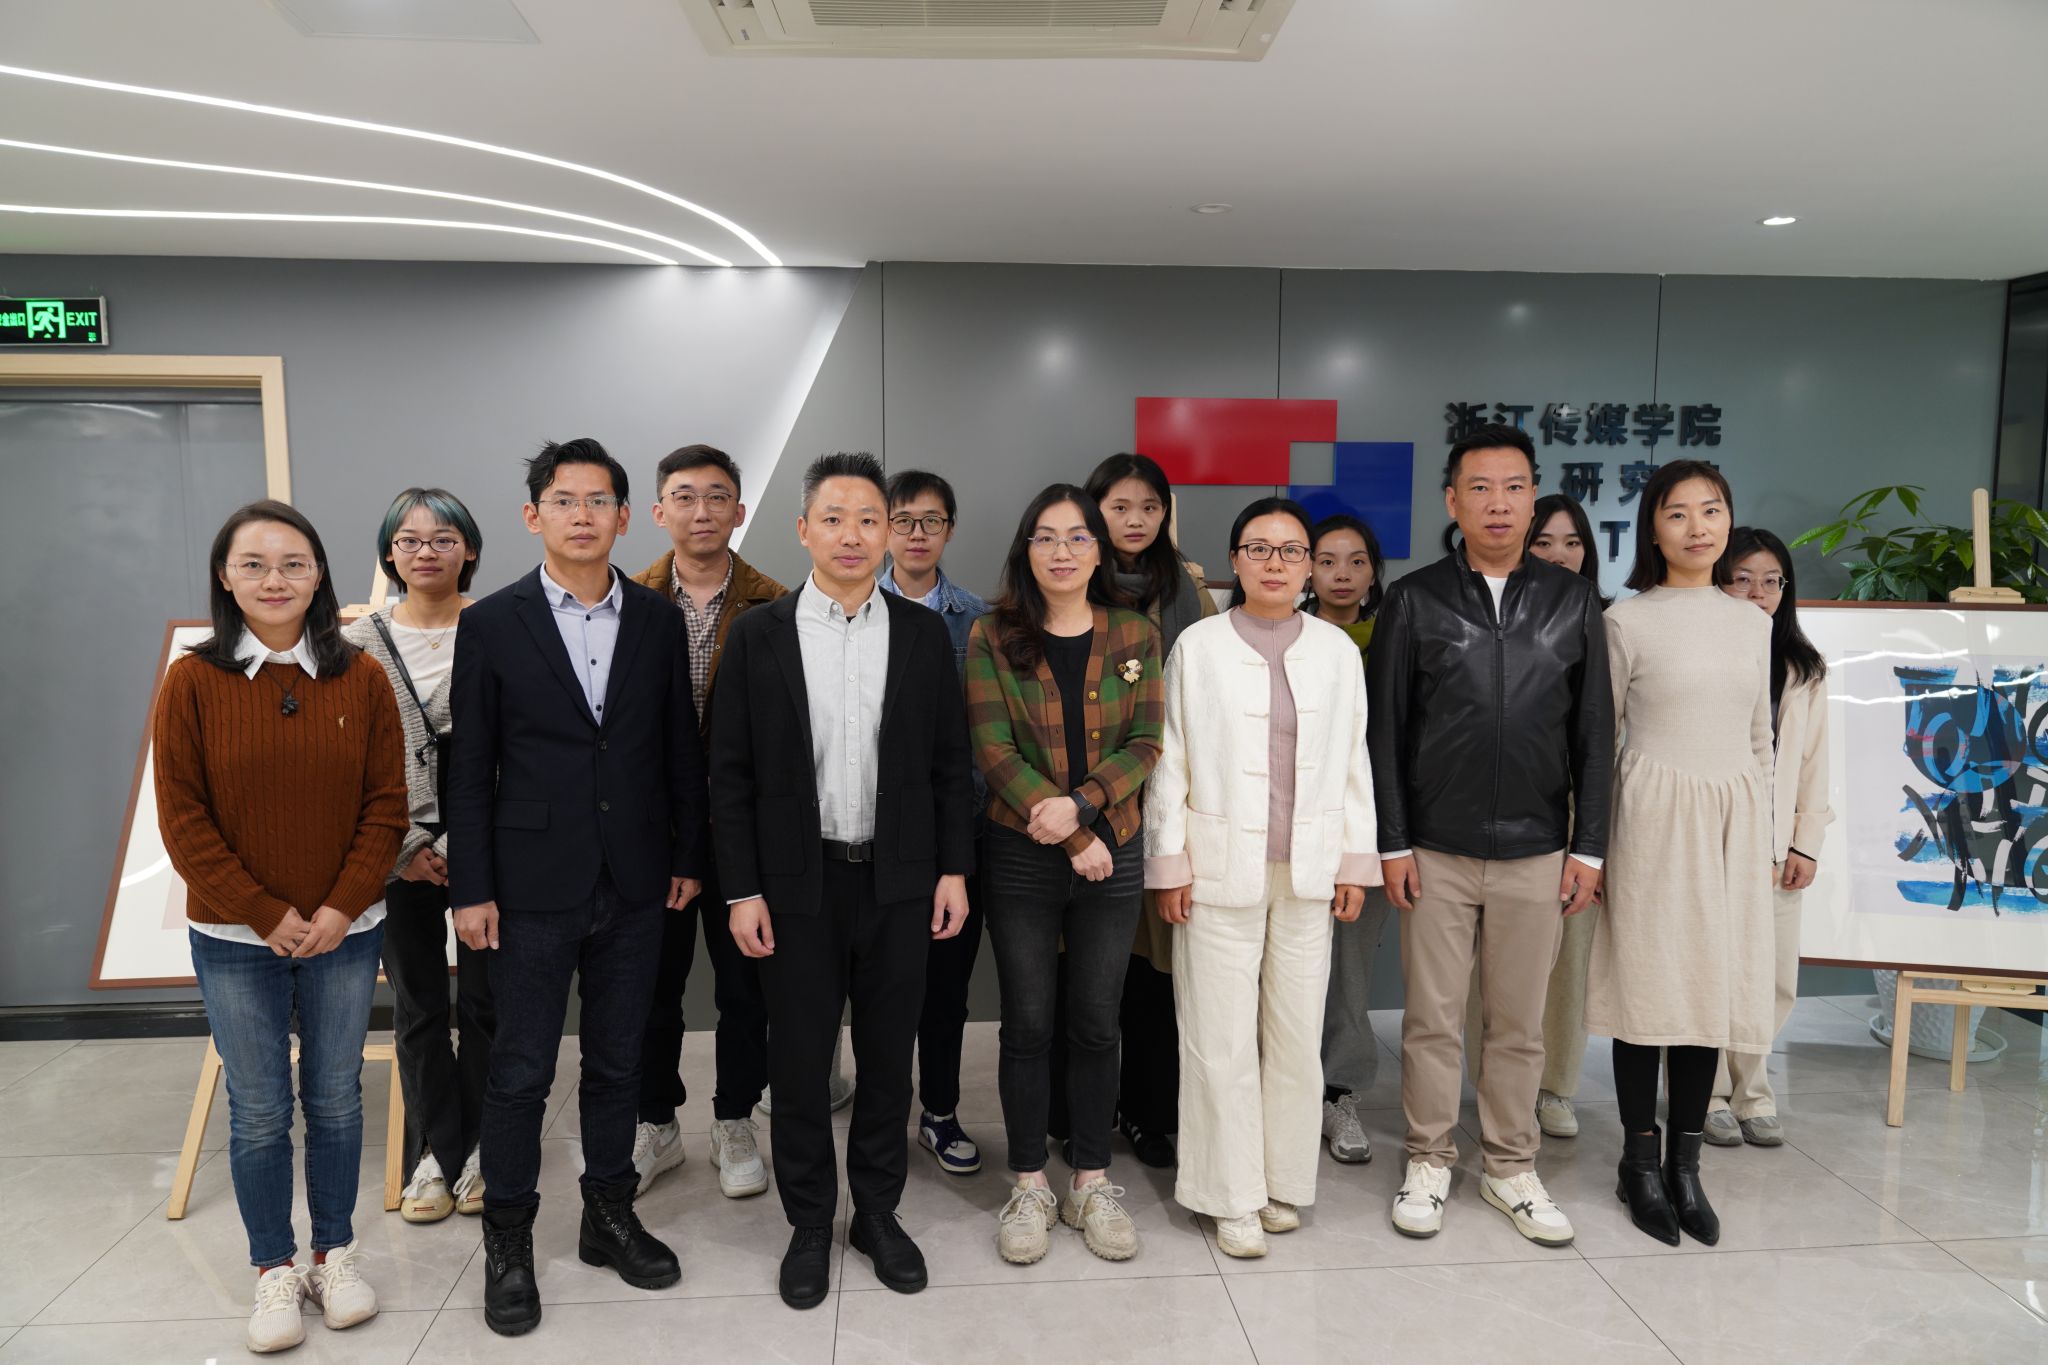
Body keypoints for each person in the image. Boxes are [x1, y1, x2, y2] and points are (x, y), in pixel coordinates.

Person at [447, 438, 709, 1337]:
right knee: (520, 1069)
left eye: (600, 501)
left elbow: (679, 747)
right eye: (565, 500)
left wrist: (687, 853)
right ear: (535, 515)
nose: (583, 515)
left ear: (625, 518)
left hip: (636, 878)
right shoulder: (492, 622)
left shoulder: (656, 618)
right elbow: (469, 767)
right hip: (527, 885)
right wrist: (470, 887)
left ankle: (609, 1214)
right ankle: (509, 1241)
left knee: (618, 1060)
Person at [710, 452, 975, 1310]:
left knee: (889, 1058)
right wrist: (742, 889)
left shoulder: (923, 634)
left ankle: (878, 1214)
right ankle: (808, 1221)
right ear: (803, 530)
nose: (852, 534)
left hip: (900, 880)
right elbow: (729, 774)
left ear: (890, 531)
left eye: (869, 518)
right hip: (797, 883)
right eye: (834, 518)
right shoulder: (760, 633)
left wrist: (953, 870)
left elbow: (949, 765)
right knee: (797, 1061)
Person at [154, 501, 407, 1354]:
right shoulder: (192, 683)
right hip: (236, 939)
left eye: (293, 563)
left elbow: (386, 806)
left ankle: (335, 1255)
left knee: (335, 1098)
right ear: (225, 577)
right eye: (254, 564)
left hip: (347, 929)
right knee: (259, 1108)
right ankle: (274, 1266)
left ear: (318, 575)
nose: (275, 579)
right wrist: (265, 913)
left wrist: (338, 907)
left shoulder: (361, 677)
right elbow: (184, 821)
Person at [1369, 423, 1609, 1248]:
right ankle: (1429, 1157)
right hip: (1435, 846)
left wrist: (1589, 847)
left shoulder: (1573, 601)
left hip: (1538, 848)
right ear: (1452, 500)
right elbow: (1385, 732)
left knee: (1517, 1022)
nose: (1497, 503)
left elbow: (1596, 735)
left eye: (1513, 487)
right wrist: (1393, 842)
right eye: (1480, 487)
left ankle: (1510, 1165)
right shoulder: (1415, 599)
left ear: (1533, 496)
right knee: (1432, 1018)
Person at [1145, 497, 1379, 1259]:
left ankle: (1282, 1181)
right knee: (1218, 1036)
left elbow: (1353, 760)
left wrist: (1355, 860)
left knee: (1295, 1036)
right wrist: (1170, 862)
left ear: (1309, 565)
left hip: (1309, 870)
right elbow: (1171, 759)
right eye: (1259, 548)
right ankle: (1229, 1194)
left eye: (1291, 550)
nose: (1275, 563)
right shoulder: (1199, 646)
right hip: (1217, 868)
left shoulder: (1336, 652)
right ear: (1234, 560)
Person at [968, 485, 1162, 1264]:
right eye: (1045, 537)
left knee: (1096, 1019)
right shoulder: (993, 633)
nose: (1061, 551)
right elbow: (992, 747)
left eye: (1077, 537)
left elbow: (1146, 741)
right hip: (1021, 850)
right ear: (1027, 549)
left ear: (1098, 550)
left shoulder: (1134, 631)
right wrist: (1069, 830)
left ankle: (1089, 1178)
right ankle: (1028, 1183)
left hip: (1113, 848)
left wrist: (1082, 810)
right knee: (1028, 1021)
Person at [1589, 460, 1775, 1248]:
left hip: (1732, 822)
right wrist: (1595, 847)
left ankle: (1686, 1166)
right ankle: (1639, 1164)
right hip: (1652, 820)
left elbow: (1761, 737)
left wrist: (1764, 833)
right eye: (1678, 513)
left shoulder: (1753, 622)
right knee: (1648, 993)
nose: (1698, 526)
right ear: (1652, 529)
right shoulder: (1627, 620)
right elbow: (1602, 740)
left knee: (1708, 993)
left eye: (1712, 509)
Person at [629, 443, 787, 1202]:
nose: (702, 511)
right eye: (685, 497)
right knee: (649, 987)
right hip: (650, 830)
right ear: (659, 511)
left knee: (745, 987)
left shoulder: (776, 604)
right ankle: (655, 1121)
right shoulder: (626, 601)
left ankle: (733, 1119)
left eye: (717, 496)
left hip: (743, 829)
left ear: (739, 510)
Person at [342, 489, 494, 1224]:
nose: (425, 551)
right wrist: (404, 847)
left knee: (491, 1002)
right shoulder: (355, 643)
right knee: (418, 1004)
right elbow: (346, 757)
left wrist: (463, 842)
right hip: (393, 849)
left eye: (443, 538)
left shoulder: (502, 628)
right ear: (389, 554)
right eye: (408, 540)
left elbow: (519, 749)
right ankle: (435, 1153)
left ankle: (484, 1149)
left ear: (470, 549)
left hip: (488, 845)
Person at [1064, 451, 1219, 1168]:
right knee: (1083, 970)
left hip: (1162, 799)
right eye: (1119, 507)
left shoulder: (1188, 588)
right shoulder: (1067, 576)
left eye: (1150, 507)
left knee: (1155, 971)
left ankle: (1148, 1111)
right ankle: (1074, 1111)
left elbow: (1209, 694)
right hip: (1081, 800)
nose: (1135, 520)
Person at [879, 468, 993, 1177]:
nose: (917, 534)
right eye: (903, 520)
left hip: (959, 828)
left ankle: (940, 1112)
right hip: (876, 834)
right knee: (884, 986)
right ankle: (884, 1110)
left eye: (932, 520)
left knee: (947, 987)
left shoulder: (979, 619)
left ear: (950, 529)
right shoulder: (851, 607)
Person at [1704, 527, 1832, 1148]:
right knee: (1709, 973)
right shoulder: (1705, 657)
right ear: (1719, 582)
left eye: (1771, 581)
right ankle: (1706, 1094)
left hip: (1778, 851)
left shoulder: (1804, 668)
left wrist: (1807, 842)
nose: (1758, 593)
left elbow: (1814, 762)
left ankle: (1752, 1090)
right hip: (1713, 845)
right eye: (1743, 579)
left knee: (1774, 978)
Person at [1493, 493, 1610, 1143]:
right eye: (1545, 542)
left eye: (1573, 542)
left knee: (1568, 956)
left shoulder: (1606, 620)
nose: (1560, 555)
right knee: (1497, 959)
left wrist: (1595, 838)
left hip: (1579, 806)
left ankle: (1555, 1084)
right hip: (1506, 804)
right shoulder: (1494, 613)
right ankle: (1495, 1081)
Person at [1304, 513, 1390, 1164]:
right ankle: (1285, 1087)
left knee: (1350, 970)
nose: (1342, 573)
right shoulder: (1285, 632)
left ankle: (1340, 1093)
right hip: (1293, 823)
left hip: (1367, 824)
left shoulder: (1394, 637)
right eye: (1327, 560)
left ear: (1373, 572)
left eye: (1356, 561)